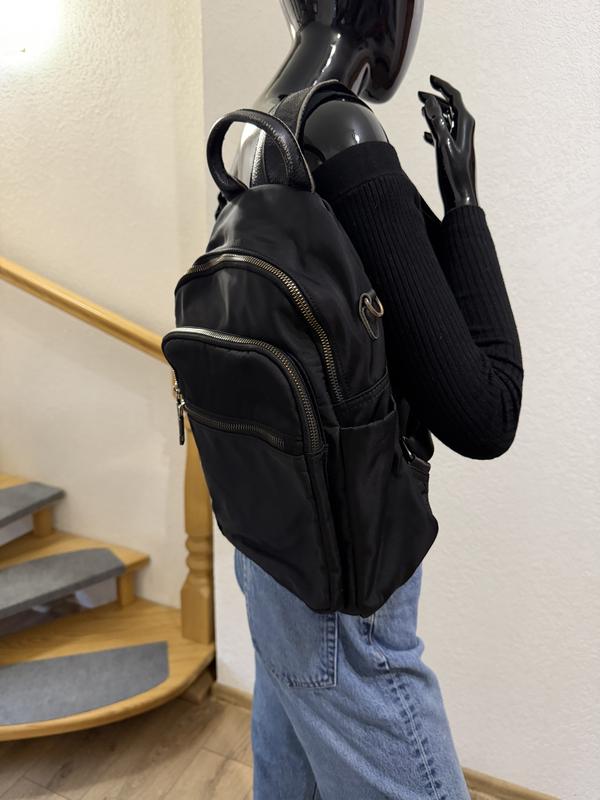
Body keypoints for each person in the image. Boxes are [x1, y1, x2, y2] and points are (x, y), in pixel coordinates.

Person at [219, 2, 524, 797]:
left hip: (269, 544)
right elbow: (487, 412)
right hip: (342, 578)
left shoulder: (255, 131)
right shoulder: (341, 133)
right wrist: (465, 203)